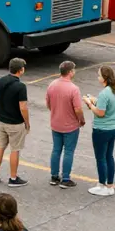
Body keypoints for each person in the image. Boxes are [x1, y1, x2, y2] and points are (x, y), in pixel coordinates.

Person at [84, 65, 115, 196]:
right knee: (109, 156)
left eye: (99, 75)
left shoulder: (104, 93)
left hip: (101, 130)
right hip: (113, 127)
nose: (98, 77)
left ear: (105, 78)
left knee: (100, 158)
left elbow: (100, 113)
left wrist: (89, 103)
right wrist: (96, 100)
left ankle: (102, 185)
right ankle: (110, 185)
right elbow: (114, 106)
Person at [45, 61, 85, 189]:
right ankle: (66, 178)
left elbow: (48, 103)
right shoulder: (74, 89)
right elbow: (78, 109)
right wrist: (81, 120)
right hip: (70, 126)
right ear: (70, 72)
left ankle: (54, 176)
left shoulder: (52, 85)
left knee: (56, 150)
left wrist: (55, 112)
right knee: (68, 151)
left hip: (56, 123)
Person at [0, 58, 30, 188]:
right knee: (15, 150)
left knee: (0, 147)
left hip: (1, 120)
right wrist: (27, 123)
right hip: (15, 123)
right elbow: (23, 107)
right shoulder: (20, 86)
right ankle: (13, 178)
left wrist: (2, 109)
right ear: (21, 70)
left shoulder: (0, 81)